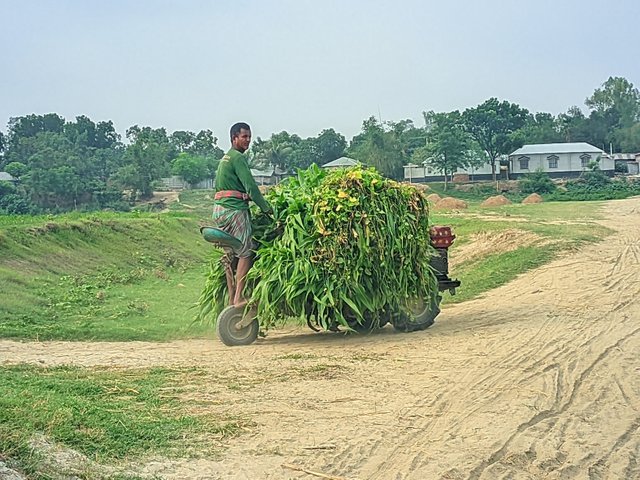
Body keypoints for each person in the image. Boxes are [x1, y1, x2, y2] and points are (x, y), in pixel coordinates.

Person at [212, 122, 272, 306]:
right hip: (233, 210)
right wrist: (267, 209)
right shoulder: (238, 158)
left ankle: (231, 299)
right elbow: (251, 187)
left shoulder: (225, 159)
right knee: (246, 252)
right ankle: (239, 298)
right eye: (244, 137)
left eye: (249, 137)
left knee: (233, 255)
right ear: (234, 138)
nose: (248, 140)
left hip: (219, 211)